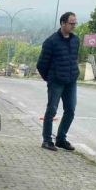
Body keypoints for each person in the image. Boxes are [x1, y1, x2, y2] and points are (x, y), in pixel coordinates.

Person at [37, 12, 81, 151]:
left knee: (70, 110)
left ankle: (61, 139)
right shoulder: (51, 41)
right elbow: (41, 64)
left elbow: (74, 59)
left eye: (75, 23)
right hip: (56, 81)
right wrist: (50, 78)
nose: (73, 26)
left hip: (71, 81)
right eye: (71, 23)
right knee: (51, 110)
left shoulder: (75, 40)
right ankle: (47, 140)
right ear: (63, 23)